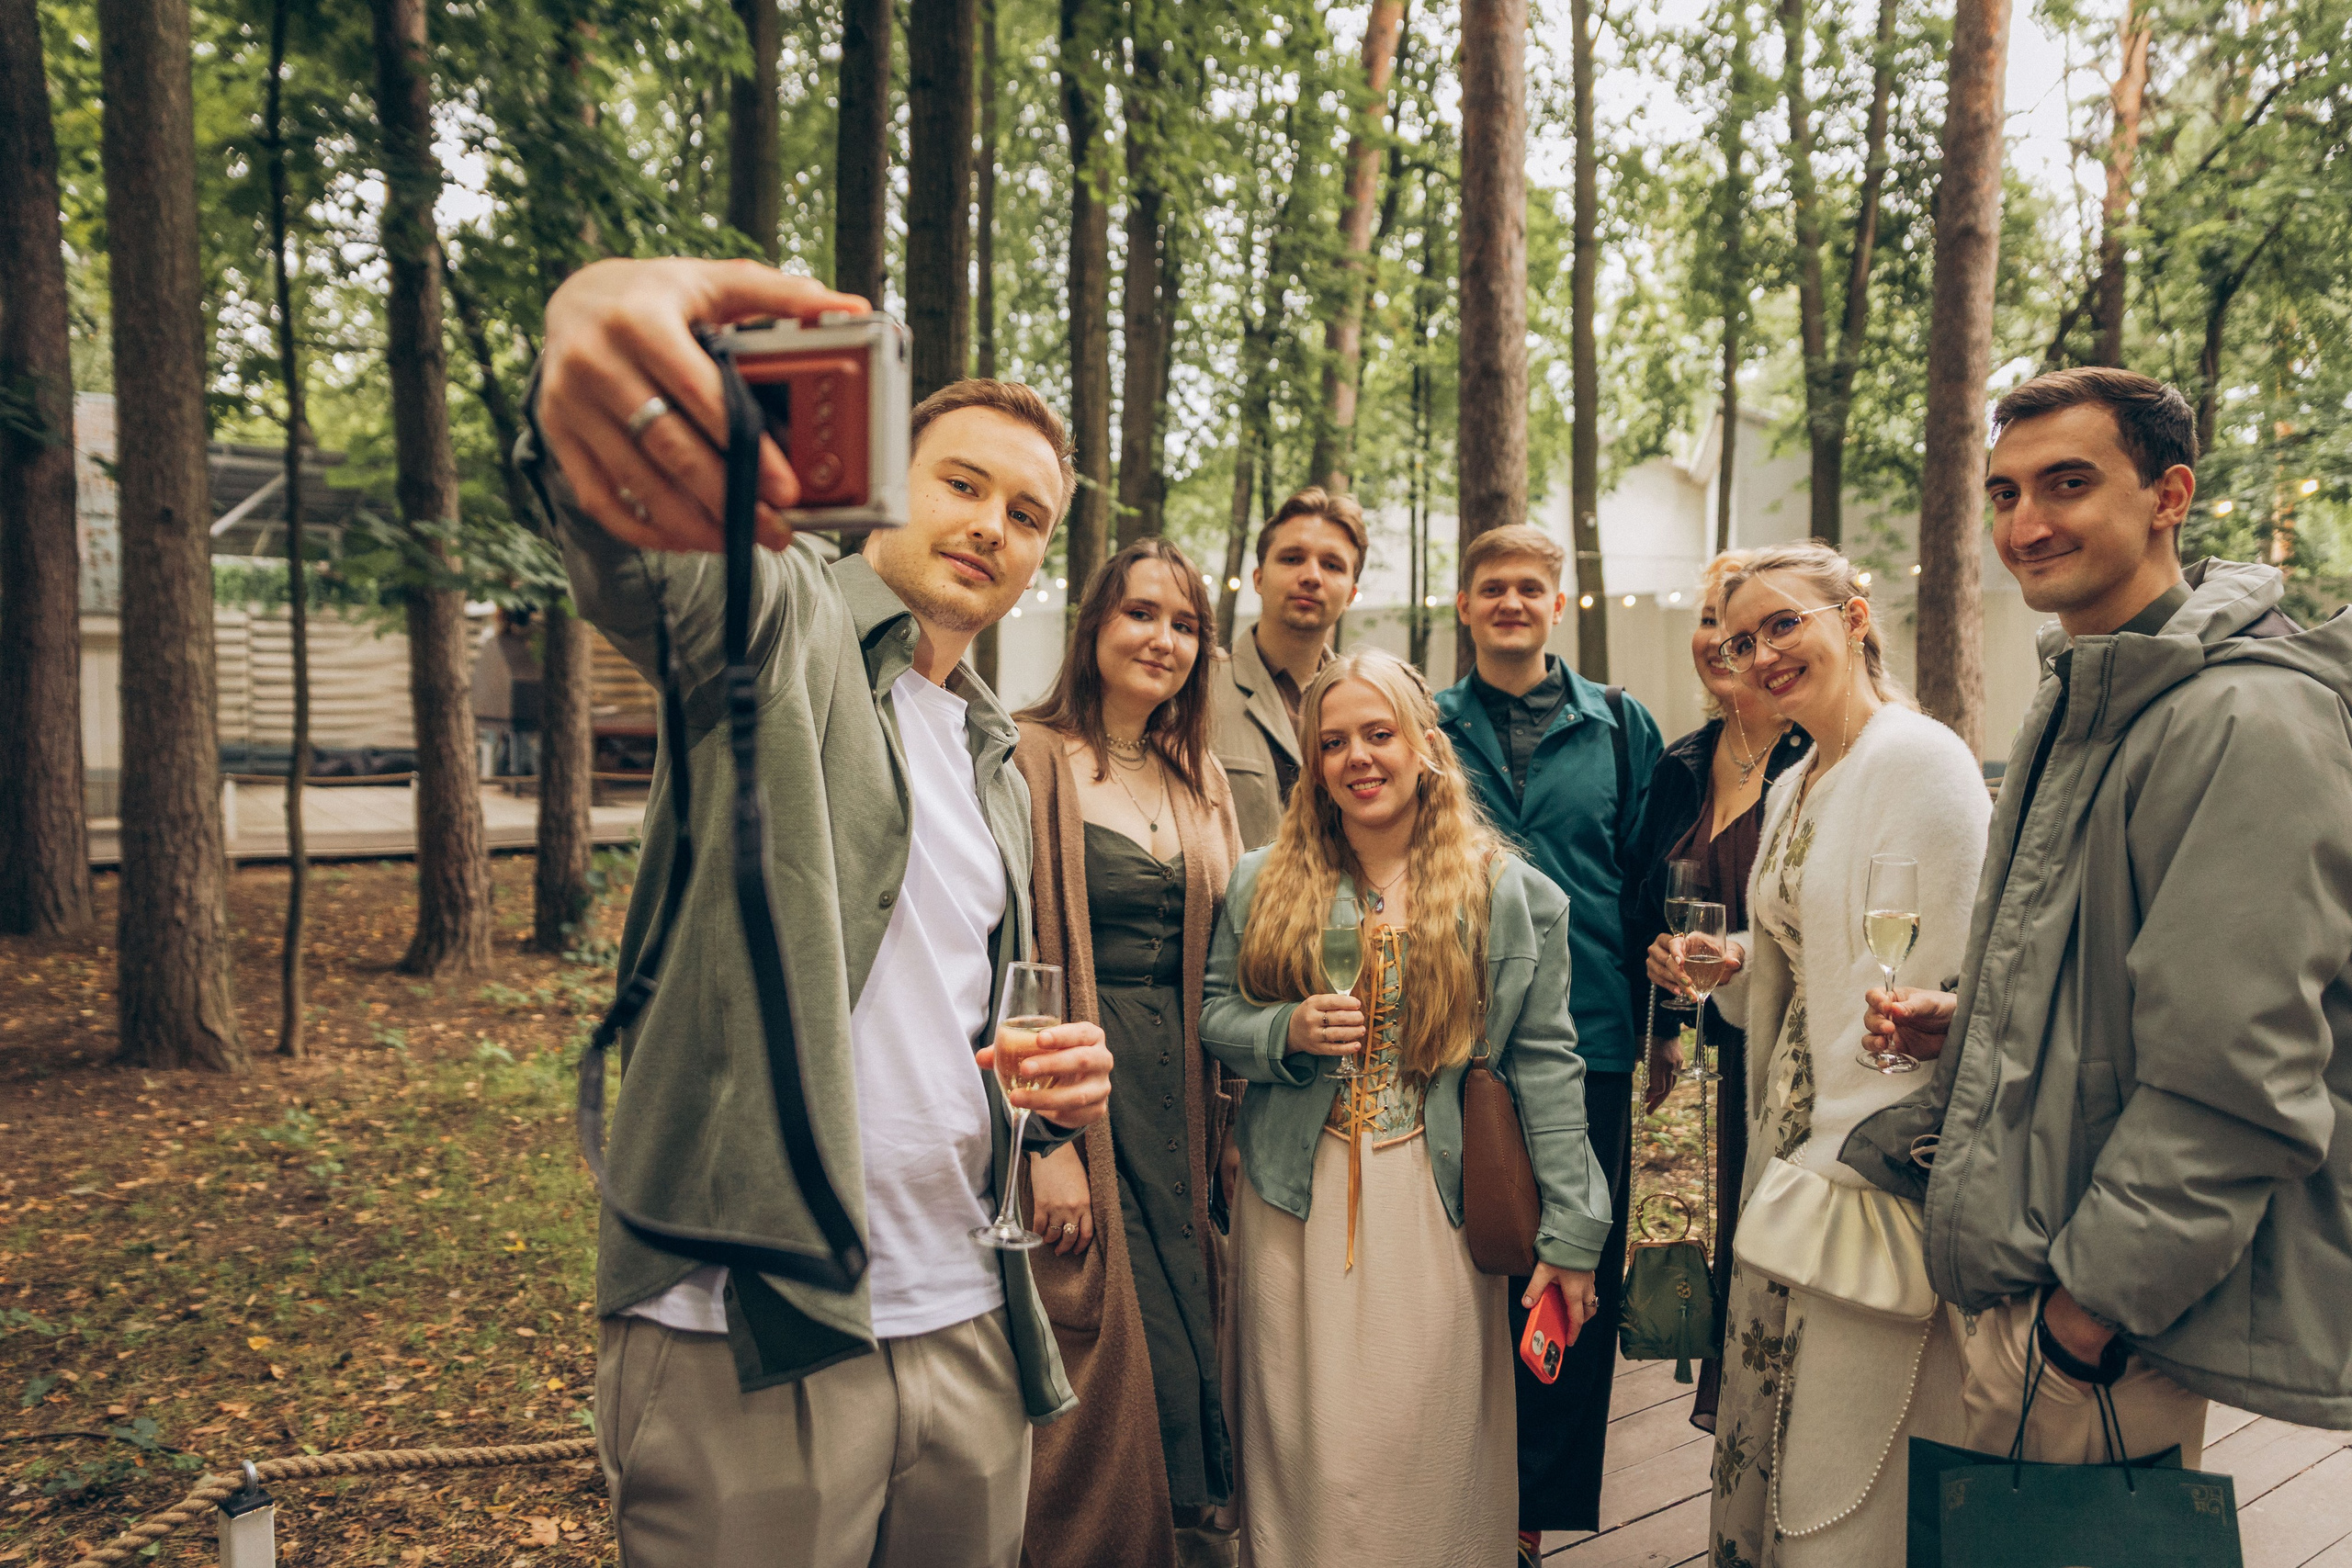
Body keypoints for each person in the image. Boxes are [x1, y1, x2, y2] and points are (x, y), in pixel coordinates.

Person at [519, 257, 1117, 1568]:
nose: (990, 526)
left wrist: (1043, 1093)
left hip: (967, 1312)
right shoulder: (774, 618)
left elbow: (951, 1020)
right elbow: (628, 529)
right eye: (960, 482)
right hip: (749, 1324)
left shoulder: (994, 759)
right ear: (881, 486)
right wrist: (599, 329)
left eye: (1028, 513)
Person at [1849, 367, 2352, 1459]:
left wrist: (2085, 1324)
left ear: (2166, 495)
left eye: (2065, 484)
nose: (2024, 524)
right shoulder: (2091, 688)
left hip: (2103, 1331)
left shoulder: (2244, 720)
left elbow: (2238, 1074)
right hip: (2027, 1281)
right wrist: (1984, 1015)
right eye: (2002, 493)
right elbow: (2120, 980)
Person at [1202, 649, 1613, 1568]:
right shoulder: (1261, 880)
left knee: (1417, 1442)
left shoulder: (1509, 893)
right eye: (1334, 741)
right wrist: (1285, 1033)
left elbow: (1548, 1068)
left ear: (1426, 746)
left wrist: (1572, 1239)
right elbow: (1214, 1020)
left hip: (1434, 1208)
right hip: (1288, 1205)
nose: (1358, 757)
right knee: (1304, 1443)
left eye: (1378, 734)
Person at [1662, 543, 1987, 1567]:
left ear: (1852, 617)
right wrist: (1735, 962)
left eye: (1782, 625)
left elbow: (1942, 977)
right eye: (1739, 639)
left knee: (1848, 1472)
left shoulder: (1918, 757)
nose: (1758, 654)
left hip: (1872, 1173)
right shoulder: (1801, 774)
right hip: (1788, 1153)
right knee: (1783, 1439)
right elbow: (1812, 953)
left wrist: (1852, 1166)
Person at [1011, 537, 1245, 1568]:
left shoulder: (1200, 777)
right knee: (1108, 1342)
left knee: (1195, 1335)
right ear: (1094, 627)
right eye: (1140, 614)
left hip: (1184, 1106)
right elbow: (995, 965)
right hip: (1083, 1107)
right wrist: (1041, 1140)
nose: (1162, 639)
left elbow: (1237, 952)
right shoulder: (1023, 758)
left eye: (1185, 624)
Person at [1432, 524, 1662, 1552]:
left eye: (1530, 588)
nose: (1511, 603)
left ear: (1557, 605)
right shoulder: (1424, 726)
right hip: (1452, 1041)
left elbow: (1648, 883)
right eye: (1493, 589)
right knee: (1457, 1273)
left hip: (1592, 1039)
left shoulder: (1618, 726)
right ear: (1466, 606)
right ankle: (1457, 1491)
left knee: (1571, 1277)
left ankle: (1534, 1522)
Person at [1619, 549, 1810, 1433]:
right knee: (1705, 1287)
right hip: (1692, 1063)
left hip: (1778, 1058)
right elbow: (1635, 903)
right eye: (1712, 624)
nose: (1727, 645)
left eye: (1756, 629)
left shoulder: (1817, 755)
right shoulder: (1683, 761)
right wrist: (1658, 964)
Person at [1208, 487, 1366, 852]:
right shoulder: (1198, 688)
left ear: (1351, 594)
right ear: (1259, 579)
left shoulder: (1366, 704)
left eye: (1332, 565)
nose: (1312, 576)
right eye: (1293, 559)